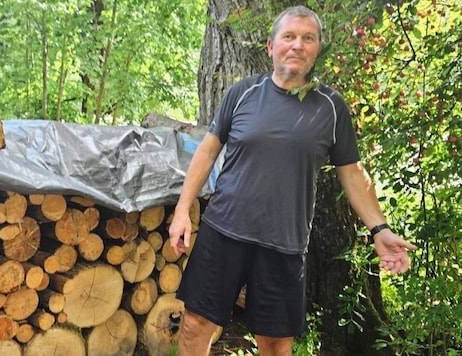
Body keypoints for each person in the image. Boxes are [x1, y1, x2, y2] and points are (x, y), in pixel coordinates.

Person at [168, 5, 417, 356]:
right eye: (289, 37)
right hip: (223, 232)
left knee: (275, 345)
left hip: (283, 245)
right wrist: (182, 210)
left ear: (317, 49)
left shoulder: (331, 107)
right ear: (271, 47)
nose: (297, 45)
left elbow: (353, 174)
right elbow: (207, 152)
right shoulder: (242, 94)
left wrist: (380, 229)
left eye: (307, 38)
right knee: (195, 325)